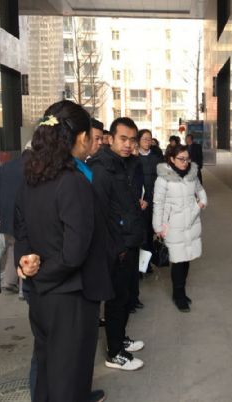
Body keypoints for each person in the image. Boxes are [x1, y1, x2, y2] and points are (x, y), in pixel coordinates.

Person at [14, 100, 113, 402]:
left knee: (48, 373)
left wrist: (26, 263)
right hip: (70, 298)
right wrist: (42, 273)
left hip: (41, 297)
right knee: (69, 380)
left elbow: (22, 228)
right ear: (81, 137)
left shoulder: (32, 176)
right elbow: (74, 253)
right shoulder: (73, 182)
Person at [89, 117, 146, 371]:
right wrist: (117, 248)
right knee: (116, 300)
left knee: (125, 298)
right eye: (123, 139)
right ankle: (114, 353)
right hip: (117, 246)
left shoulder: (125, 164)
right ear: (110, 138)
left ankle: (120, 338)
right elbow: (101, 213)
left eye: (132, 140)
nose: (128, 144)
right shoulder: (102, 168)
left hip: (129, 241)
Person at [153, 145, 207, 312]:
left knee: (187, 258)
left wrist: (201, 203)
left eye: (187, 159)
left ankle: (181, 291)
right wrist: (158, 226)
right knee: (178, 261)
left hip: (191, 223)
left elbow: (200, 190)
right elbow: (158, 203)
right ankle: (178, 295)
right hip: (174, 226)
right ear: (171, 159)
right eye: (181, 159)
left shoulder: (192, 175)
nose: (185, 162)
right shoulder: (163, 179)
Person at [0, 142, 31, 294]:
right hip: (23, 215)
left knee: (12, 246)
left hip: (6, 216)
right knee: (24, 247)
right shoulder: (33, 167)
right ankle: (23, 288)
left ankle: (9, 280)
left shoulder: (7, 167)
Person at [137, 129, 164, 255]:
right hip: (140, 200)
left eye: (149, 139)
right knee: (141, 230)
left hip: (154, 198)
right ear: (138, 140)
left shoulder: (156, 158)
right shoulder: (134, 158)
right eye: (145, 139)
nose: (148, 142)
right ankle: (142, 260)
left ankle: (150, 256)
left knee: (151, 228)